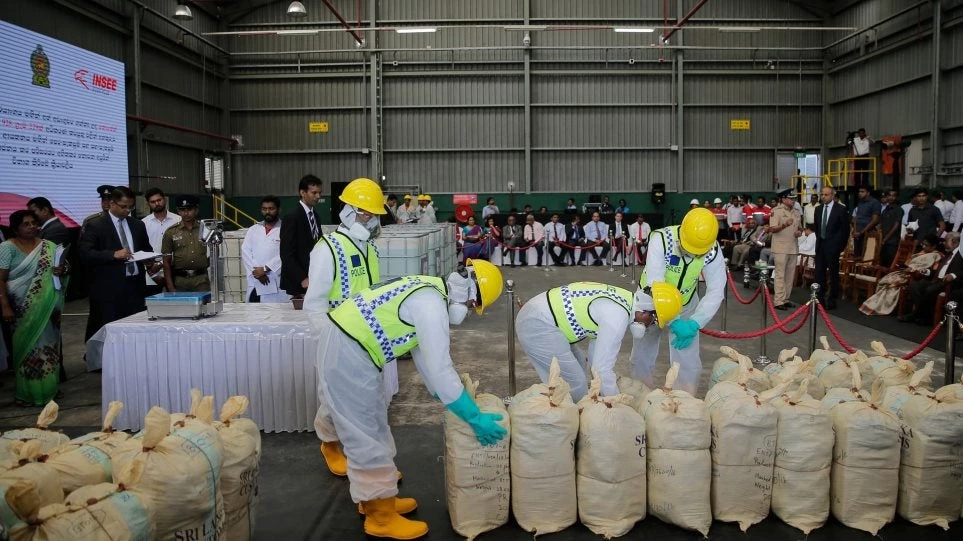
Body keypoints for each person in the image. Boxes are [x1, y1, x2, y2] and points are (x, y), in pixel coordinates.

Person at [315, 260, 505, 539]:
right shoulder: (431, 305)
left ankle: (376, 499)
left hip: (349, 343)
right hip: (350, 349)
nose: (469, 311)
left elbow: (427, 365)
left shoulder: (427, 292)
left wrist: (449, 397)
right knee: (366, 430)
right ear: (467, 287)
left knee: (374, 420)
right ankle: (380, 517)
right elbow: (441, 368)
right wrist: (473, 417)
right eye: (474, 303)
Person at [516, 281, 682, 402]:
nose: (649, 326)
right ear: (646, 312)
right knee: (574, 384)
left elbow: (596, 363)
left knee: (579, 367)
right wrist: (615, 401)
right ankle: (568, 429)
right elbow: (602, 369)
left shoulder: (625, 300)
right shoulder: (617, 316)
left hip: (545, 318)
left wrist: (602, 392)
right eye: (652, 321)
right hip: (537, 322)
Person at [629, 208, 725, 395]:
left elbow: (716, 290)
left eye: (698, 253)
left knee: (687, 360)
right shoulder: (661, 239)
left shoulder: (712, 249)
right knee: (642, 354)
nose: (694, 255)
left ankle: (684, 401)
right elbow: (655, 283)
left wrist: (696, 322)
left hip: (687, 304)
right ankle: (640, 396)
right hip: (651, 302)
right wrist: (674, 320)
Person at [0, 210, 68, 406]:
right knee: (27, 348)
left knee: (50, 349)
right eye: (25, 224)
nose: (31, 227)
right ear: (15, 228)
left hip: (48, 309)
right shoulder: (7, 248)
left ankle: (50, 390)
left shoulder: (49, 246)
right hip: (21, 309)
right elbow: (1, 279)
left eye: (33, 223)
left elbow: (64, 269)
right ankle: (28, 394)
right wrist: (4, 306)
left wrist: (62, 270)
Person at [79, 187, 151, 341]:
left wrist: (150, 259)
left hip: (135, 288)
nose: (127, 211)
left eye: (131, 207)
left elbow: (146, 249)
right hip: (108, 290)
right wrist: (112, 254)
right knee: (108, 331)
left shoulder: (138, 225)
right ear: (112, 203)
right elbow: (85, 253)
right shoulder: (96, 225)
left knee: (135, 330)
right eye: (123, 206)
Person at [860, 234, 942, 316]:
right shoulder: (921, 253)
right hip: (904, 272)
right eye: (922, 244)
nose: (923, 246)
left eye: (926, 245)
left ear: (934, 246)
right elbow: (909, 263)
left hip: (914, 277)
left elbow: (930, 272)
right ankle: (876, 305)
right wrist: (904, 267)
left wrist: (913, 270)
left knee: (893, 286)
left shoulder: (937, 256)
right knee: (886, 282)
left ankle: (883, 307)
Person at [899, 232, 963, 324]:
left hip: (948, 283)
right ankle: (925, 316)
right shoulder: (948, 253)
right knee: (914, 285)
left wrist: (953, 275)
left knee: (930, 290)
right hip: (936, 280)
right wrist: (927, 271)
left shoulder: (961, 255)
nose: (943, 243)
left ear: (954, 242)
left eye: (945, 241)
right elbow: (938, 271)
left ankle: (915, 315)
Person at [280, 174, 323, 298]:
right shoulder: (292, 216)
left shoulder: (315, 216)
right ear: (303, 192)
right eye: (314, 193)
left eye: (319, 193)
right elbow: (286, 253)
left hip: (313, 277)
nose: (318, 196)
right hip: (299, 283)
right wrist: (302, 278)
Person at [242, 196, 287, 303]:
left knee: (277, 315)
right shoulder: (253, 230)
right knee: (254, 315)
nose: (268, 212)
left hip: (276, 279)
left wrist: (266, 269)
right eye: (264, 209)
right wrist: (256, 272)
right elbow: (246, 252)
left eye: (271, 209)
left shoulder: (285, 229)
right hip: (255, 280)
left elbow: (286, 253)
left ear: (279, 210)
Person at [162, 195, 210, 293]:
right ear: (178, 211)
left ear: (196, 210)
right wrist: (170, 287)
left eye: (189, 209)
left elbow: (214, 254)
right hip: (180, 281)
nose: (186, 213)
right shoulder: (171, 232)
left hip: (201, 280)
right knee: (182, 307)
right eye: (182, 210)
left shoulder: (205, 229)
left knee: (203, 307)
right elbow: (166, 262)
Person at [813, 186, 850, 310]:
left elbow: (845, 231)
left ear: (833, 196)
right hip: (821, 246)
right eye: (822, 194)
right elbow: (817, 228)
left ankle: (832, 299)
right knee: (819, 273)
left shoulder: (841, 209)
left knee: (833, 274)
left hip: (833, 247)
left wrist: (839, 247)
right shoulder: (818, 209)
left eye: (826, 194)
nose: (823, 197)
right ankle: (819, 298)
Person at [142, 187, 181, 296]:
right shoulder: (143, 223)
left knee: (175, 305)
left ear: (165, 200)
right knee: (154, 307)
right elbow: (142, 248)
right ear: (148, 204)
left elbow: (181, 248)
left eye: (159, 200)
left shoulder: (178, 220)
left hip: (175, 270)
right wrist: (151, 267)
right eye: (153, 202)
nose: (157, 204)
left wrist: (161, 263)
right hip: (151, 272)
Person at [768, 189, 802, 310]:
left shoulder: (797, 212)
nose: (792, 201)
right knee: (780, 275)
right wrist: (784, 225)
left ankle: (786, 299)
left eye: (794, 199)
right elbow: (772, 229)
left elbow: (800, 228)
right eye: (790, 198)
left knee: (790, 275)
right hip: (781, 247)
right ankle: (778, 301)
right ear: (783, 199)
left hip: (793, 246)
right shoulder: (776, 211)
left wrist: (799, 232)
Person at [852, 186, 881, 258]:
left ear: (868, 193)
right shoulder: (860, 203)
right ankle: (857, 269)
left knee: (865, 256)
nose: (860, 193)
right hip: (857, 234)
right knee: (857, 255)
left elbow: (875, 220)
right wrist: (855, 231)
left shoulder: (875, 203)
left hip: (868, 233)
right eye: (859, 192)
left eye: (862, 192)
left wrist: (861, 232)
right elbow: (856, 218)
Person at [878, 189, 904, 267]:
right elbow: (881, 225)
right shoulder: (885, 210)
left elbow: (896, 226)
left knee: (890, 263)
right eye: (889, 195)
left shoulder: (898, 209)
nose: (891, 197)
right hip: (883, 241)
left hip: (892, 241)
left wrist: (885, 239)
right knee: (883, 262)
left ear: (896, 197)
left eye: (894, 195)